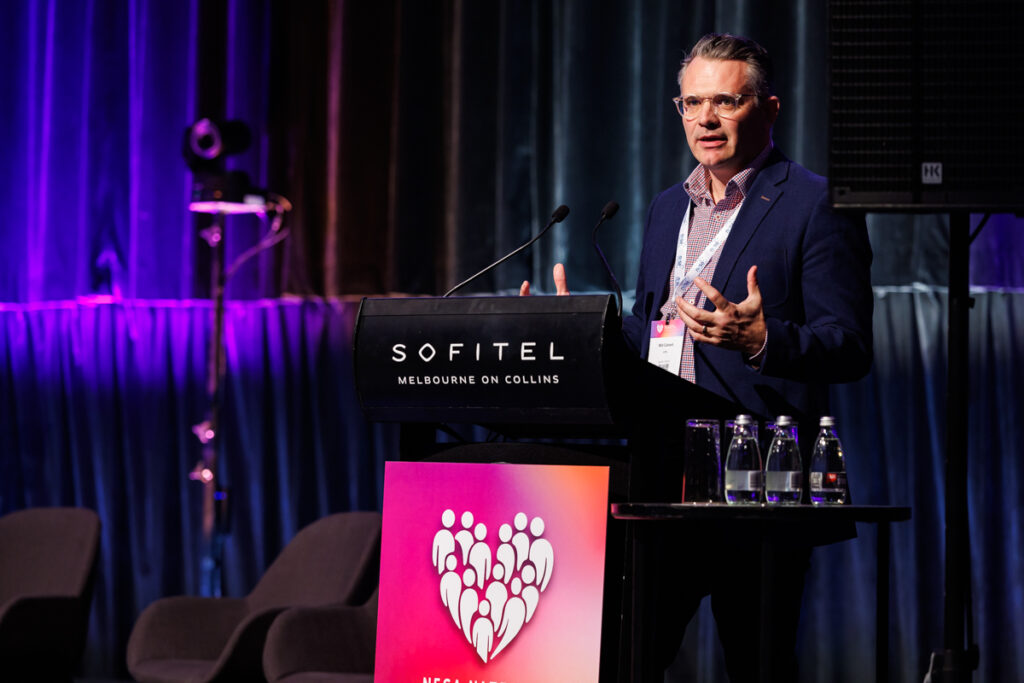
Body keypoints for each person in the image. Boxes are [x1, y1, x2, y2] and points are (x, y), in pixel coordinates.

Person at [522, 33, 873, 681]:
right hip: (661, 478)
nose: (705, 119)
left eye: (726, 102)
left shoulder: (816, 204)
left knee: (758, 667)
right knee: (629, 660)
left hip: (756, 481)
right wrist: (581, 327)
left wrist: (761, 339)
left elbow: (849, 345)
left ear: (769, 109)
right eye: (692, 103)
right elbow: (657, 331)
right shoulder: (667, 208)